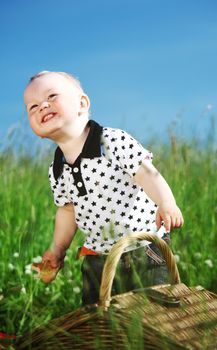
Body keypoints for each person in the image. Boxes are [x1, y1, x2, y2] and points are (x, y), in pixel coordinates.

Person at [24, 71, 184, 305]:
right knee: (99, 318)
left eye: (52, 96)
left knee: (154, 311)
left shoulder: (110, 141)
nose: (42, 106)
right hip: (98, 259)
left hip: (145, 249)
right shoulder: (56, 169)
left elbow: (147, 174)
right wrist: (57, 250)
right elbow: (68, 211)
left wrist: (166, 203)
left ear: (82, 103)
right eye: (33, 106)